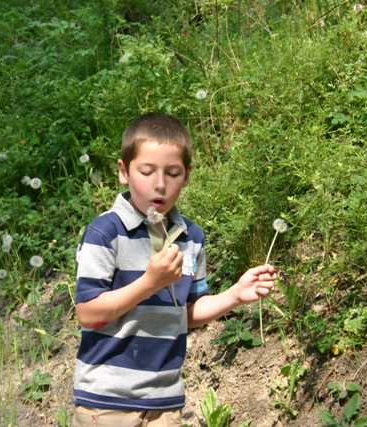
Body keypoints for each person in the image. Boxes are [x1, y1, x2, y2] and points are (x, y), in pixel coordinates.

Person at [72, 112, 277, 426]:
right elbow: (88, 312)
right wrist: (150, 283)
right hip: (107, 400)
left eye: (172, 173)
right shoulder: (105, 232)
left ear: (188, 175)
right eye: (146, 171)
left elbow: (189, 312)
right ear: (123, 172)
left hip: (165, 401)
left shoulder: (191, 238)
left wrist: (235, 295)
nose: (159, 184)